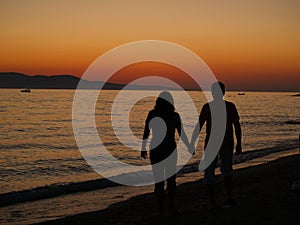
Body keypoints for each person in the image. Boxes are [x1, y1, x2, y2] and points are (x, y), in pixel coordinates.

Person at [190, 82, 242, 208]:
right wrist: (239, 143)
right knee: (224, 170)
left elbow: (199, 125)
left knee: (213, 171)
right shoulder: (227, 107)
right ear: (223, 92)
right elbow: (237, 126)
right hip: (223, 143)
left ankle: (217, 200)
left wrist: (192, 143)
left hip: (219, 143)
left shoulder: (211, 107)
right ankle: (225, 197)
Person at [141, 91, 190, 216]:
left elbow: (146, 132)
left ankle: (161, 209)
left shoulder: (153, 114)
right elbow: (181, 134)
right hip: (170, 149)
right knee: (171, 180)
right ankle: (171, 207)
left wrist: (143, 148)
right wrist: (189, 146)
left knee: (159, 181)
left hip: (156, 150)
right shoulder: (174, 116)